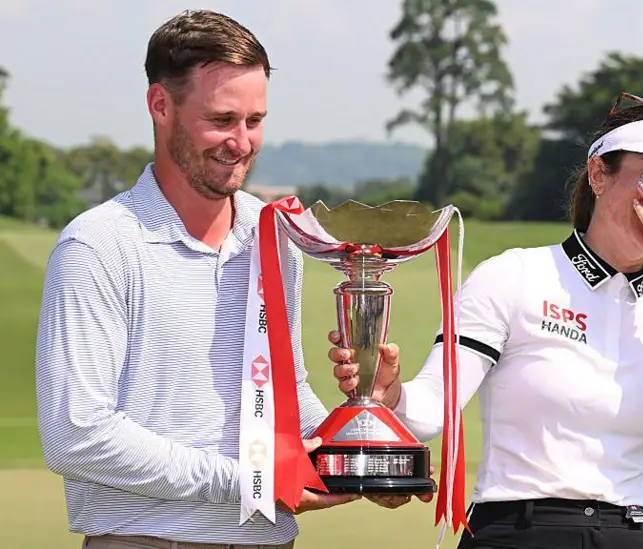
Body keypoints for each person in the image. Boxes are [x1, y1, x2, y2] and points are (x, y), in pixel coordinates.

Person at [34, 10, 414, 549]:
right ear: (160, 105)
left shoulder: (276, 236)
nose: (240, 142)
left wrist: (365, 440)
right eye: (221, 119)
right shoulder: (98, 244)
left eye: (254, 120)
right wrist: (252, 482)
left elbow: (281, 397)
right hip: (146, 540)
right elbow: (77, 435)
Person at [327, 92, 643, 549]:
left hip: (632, 530)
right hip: (518, 528)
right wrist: (389, 394)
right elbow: (427, 414)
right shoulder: (513, 274)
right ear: (599, 175)